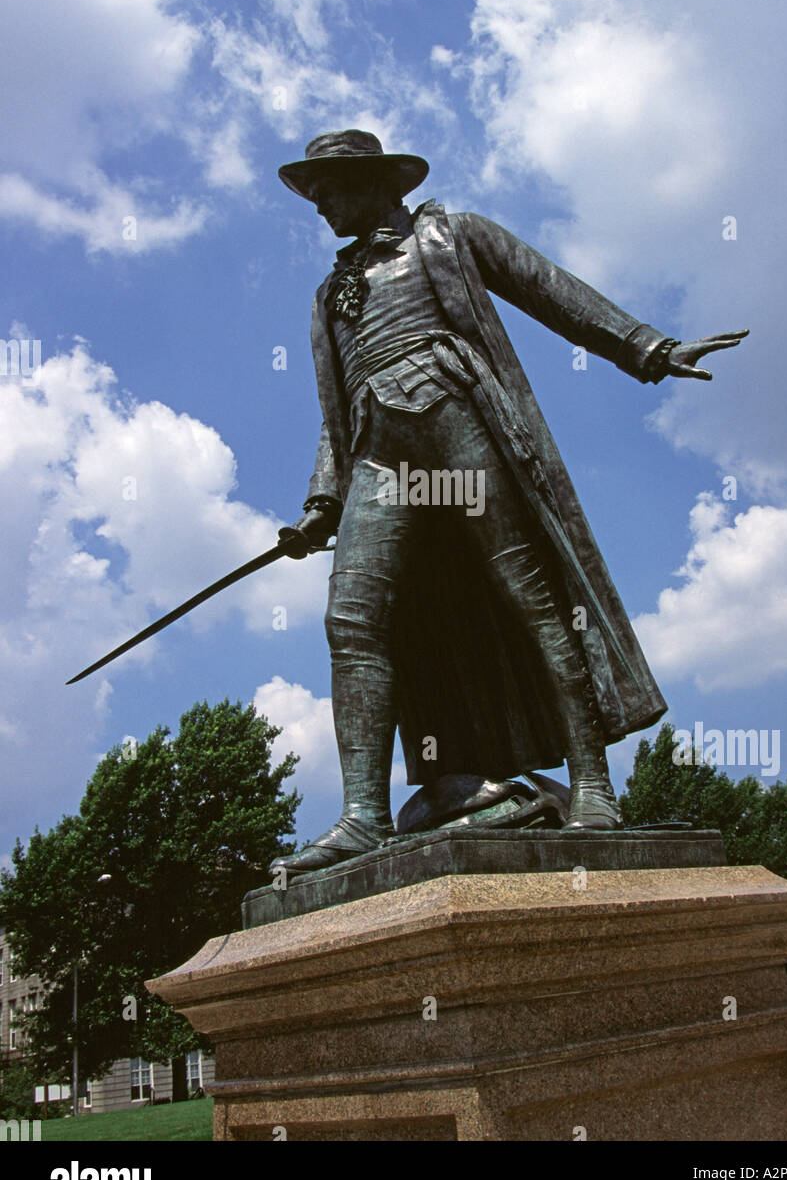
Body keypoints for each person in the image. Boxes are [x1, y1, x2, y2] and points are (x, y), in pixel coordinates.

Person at [273, 129, 747, 875]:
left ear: (373, 182)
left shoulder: (451, 235)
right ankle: (363, 816)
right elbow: (338, 411)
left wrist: (646, 347)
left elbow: (547, 288)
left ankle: (592, 785)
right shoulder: (331, 292)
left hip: (459, 418)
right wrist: (320, 503)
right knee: (352, 619)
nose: (320, 203)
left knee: (531, 599)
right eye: (315, 193)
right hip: (377, 451)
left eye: (329, 188)